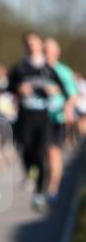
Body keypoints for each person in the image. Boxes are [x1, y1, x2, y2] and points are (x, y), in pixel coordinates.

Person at [8, 31, 65, 212]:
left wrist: (53, 91)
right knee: (25, 151)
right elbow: (8, 89)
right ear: (26, 46)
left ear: (40, 44)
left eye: (35, 42)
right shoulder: (20, 68)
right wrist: (19, 89)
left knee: (41, 155)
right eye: (28, 43)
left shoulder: (49, 69)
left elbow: (62, 92)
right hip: (25, 118)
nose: (32, 46)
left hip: (43, 118)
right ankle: (30, 173)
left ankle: (40, 194)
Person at [43, 37, 78, 202]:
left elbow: (73, 95)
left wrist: (68, 107)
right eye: (44, 51)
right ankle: (44, 182)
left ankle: (53, 188)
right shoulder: (37, 71)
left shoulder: (64, 72)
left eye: (49, 52)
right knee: (42, 154)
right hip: (38, 119)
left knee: (54, 153)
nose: (46, 55)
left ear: (57, 53)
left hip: (56, 119)